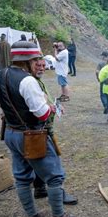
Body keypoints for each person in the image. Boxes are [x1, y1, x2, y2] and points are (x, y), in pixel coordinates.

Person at [0, 41, 79, 217]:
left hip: (10, 133)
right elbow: (40, 113)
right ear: (29, 60)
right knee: (55, 176)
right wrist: (50, 107)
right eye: (36, 60)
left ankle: (32, 216)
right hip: (32, 136)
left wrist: (2, 106)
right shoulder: (28, 81)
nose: (38, 63)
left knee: (22, 177)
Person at [28, 58, 78, 204]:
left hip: (43, 128)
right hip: (40, 129)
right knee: (53, 163)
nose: (41, 68)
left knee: (38, 157)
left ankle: (39, 188)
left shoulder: (37, 81)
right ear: (30, 65)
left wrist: (55, 105)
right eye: (38, 65)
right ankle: (58, 195)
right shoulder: (31, 83)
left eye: (44, 66)